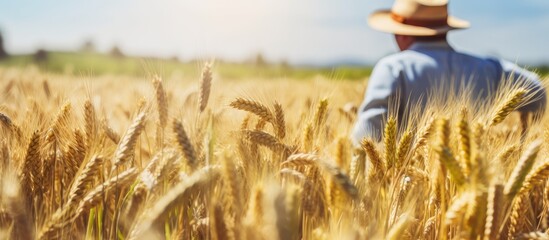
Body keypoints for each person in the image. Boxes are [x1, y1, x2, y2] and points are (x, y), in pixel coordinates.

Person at [351, 0, 546, 144]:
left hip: (407, 188)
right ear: (445, 29)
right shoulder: (488, 67)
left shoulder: (393, 68)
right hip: (474, 187)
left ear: (401, 33)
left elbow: (366, 137)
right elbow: (538, 93)